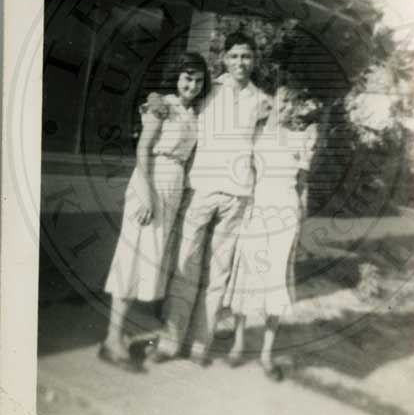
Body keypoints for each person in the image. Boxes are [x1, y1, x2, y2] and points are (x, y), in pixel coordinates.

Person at [150, 30, 269, 366]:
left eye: (246, 56)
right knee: (185, 264)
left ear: (254, 60)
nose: (240, 62)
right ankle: (170, 341)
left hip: (238, 195)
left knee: (218, 271)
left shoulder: (262, 101)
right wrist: (154, 100)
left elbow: (267, 146)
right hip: (200, 187)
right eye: (234, 56)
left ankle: (200, 343)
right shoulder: (208, 89)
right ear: (224, 58)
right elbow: (176, 100)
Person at [98, 52, 210, 369]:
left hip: (172, 188)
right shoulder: (162, 106)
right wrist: (146, 195)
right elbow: (143, 149)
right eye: (187, 77)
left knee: (148, 261)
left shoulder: (193, 113)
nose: (192, 85)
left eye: (198, 80)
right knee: (132, 257)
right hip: (151, 182)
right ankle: (112, 338)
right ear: (177, 77)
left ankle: (118, 334)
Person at [225, 86, 319, 381]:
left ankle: (266, 353)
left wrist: (301, 216)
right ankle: (238, 342)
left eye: (292, 104)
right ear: (272, 103)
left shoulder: (300, 138)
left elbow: (303, 184)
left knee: (276, 279)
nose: (287, 108)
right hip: (258, 207)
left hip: (286, 212)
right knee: (247, 274)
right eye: (282, 102)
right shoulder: (256, 134)